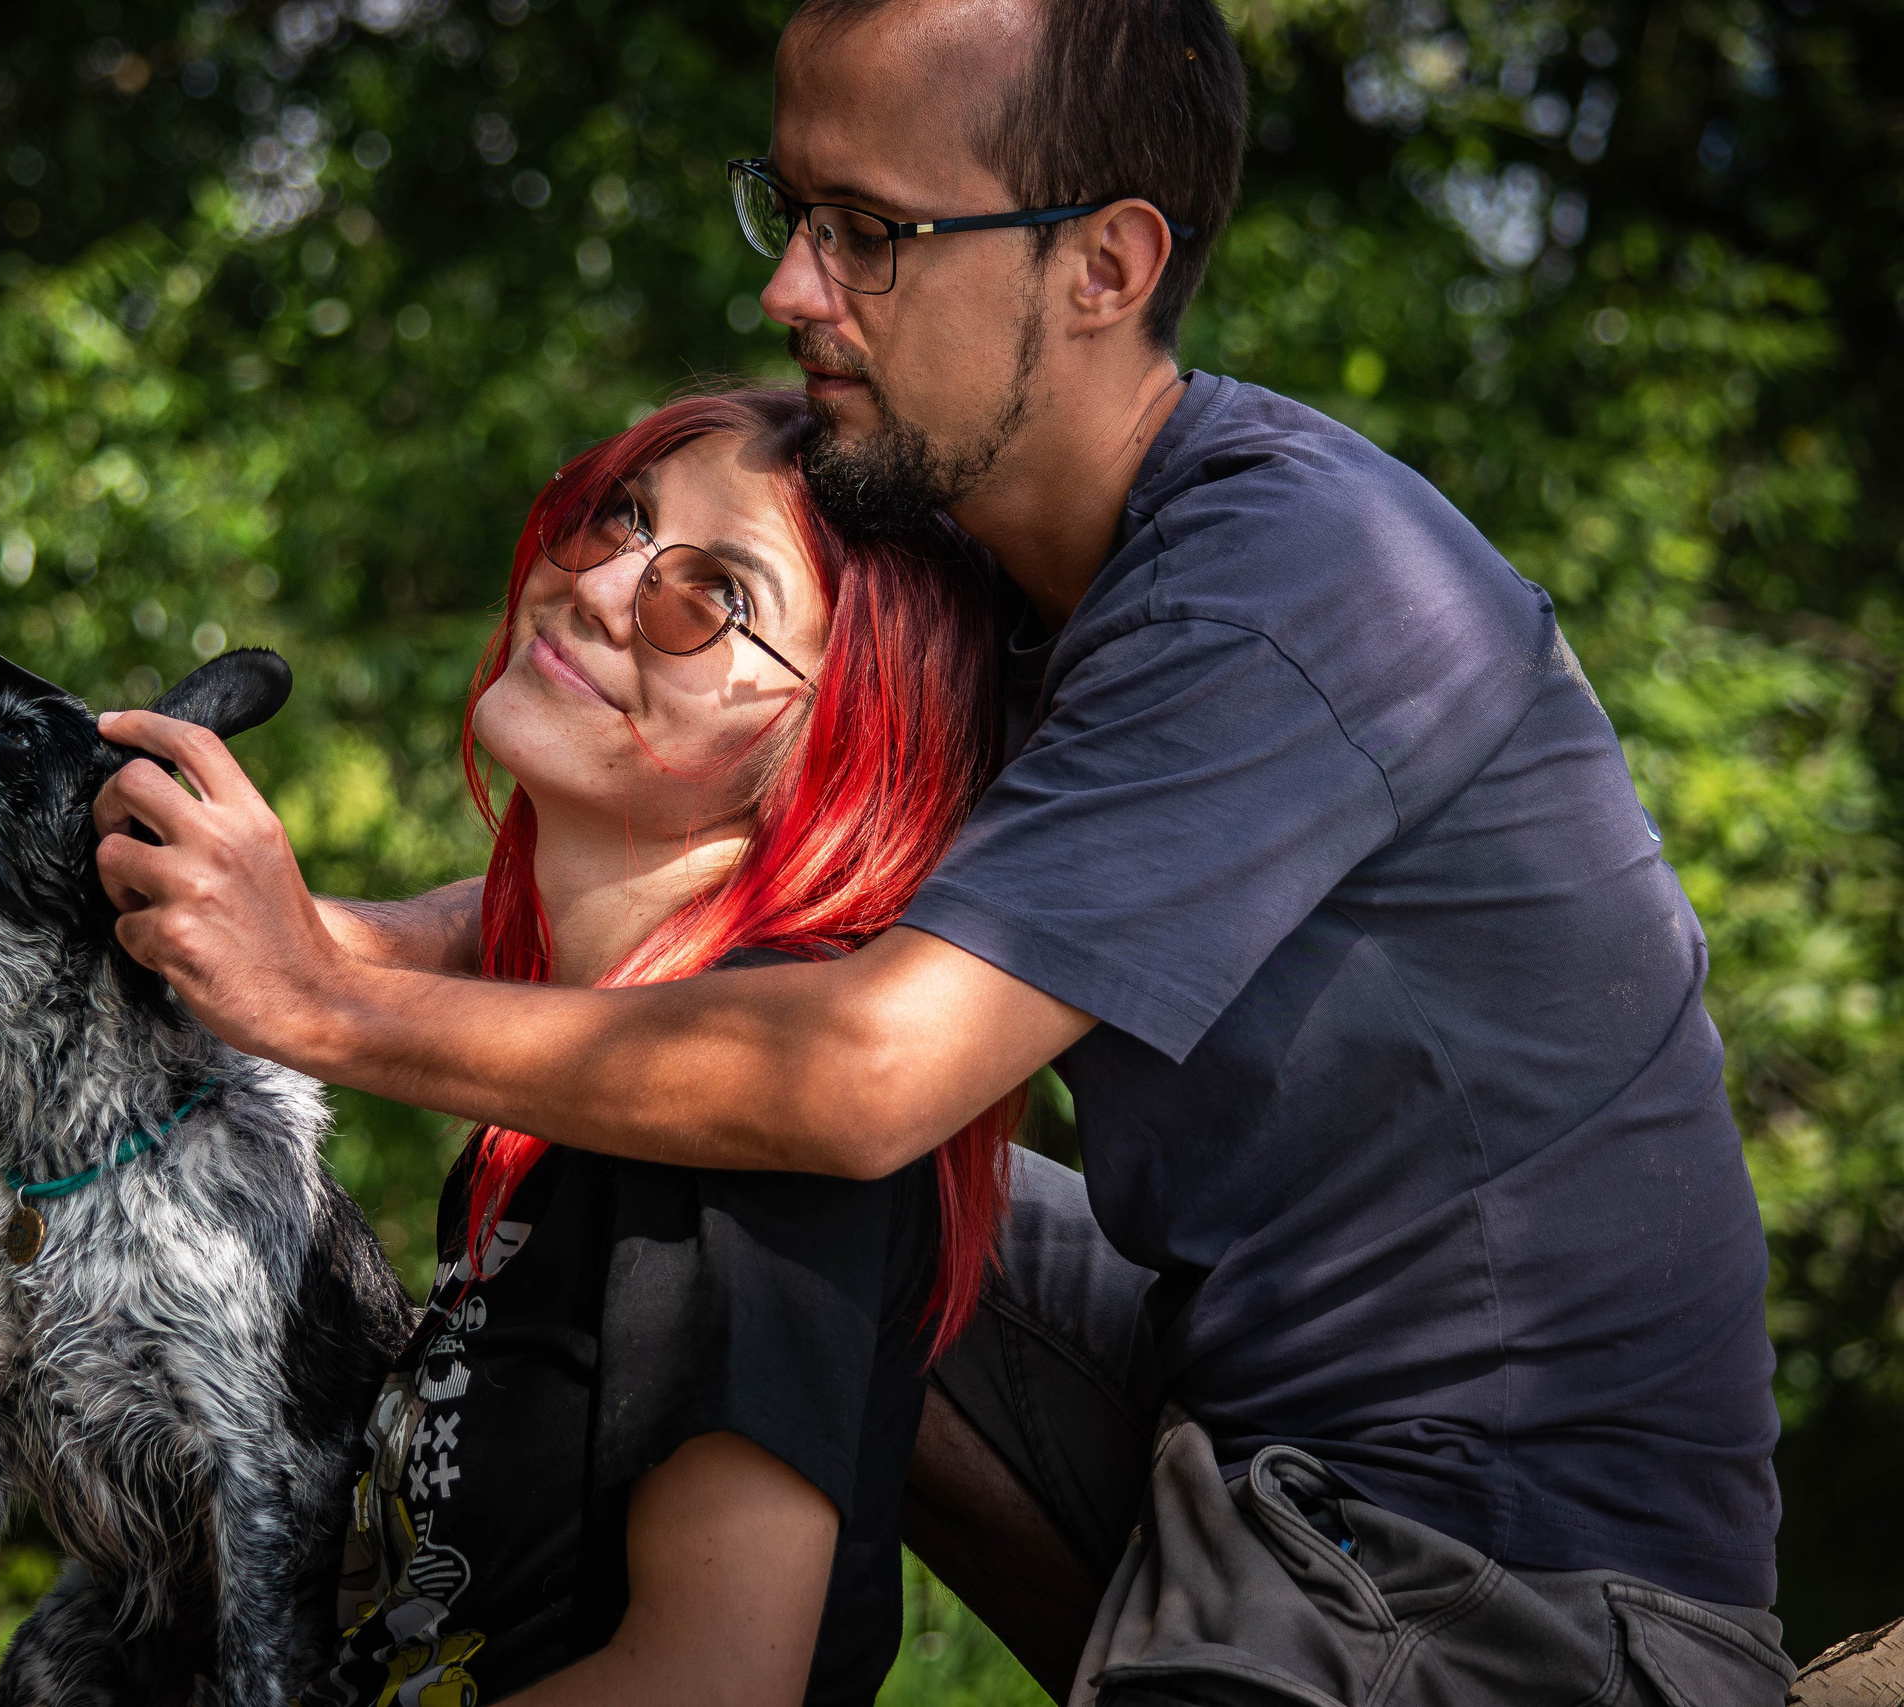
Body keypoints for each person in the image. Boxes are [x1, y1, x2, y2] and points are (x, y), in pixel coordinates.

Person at [89, 0, 1794, 1700]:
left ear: (1108, 267)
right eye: (795, 213)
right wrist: (276, 928)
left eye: (874, 236)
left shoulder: (1283, 584)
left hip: (1505, 1566)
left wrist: (315, 1003)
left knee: (797, 1117)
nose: (788, 289)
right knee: (741, 1129)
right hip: (1241, 1420)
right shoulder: (1006, 563)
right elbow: (709, 936)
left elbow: (859, 1077)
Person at [135, 387, 1009, 1706]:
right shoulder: (577, 1086)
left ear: (839, 743)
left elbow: (712, 1683)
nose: (602, 589)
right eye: (618, 519)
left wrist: (305, 983)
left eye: (713, 597)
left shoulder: (740, 1118)